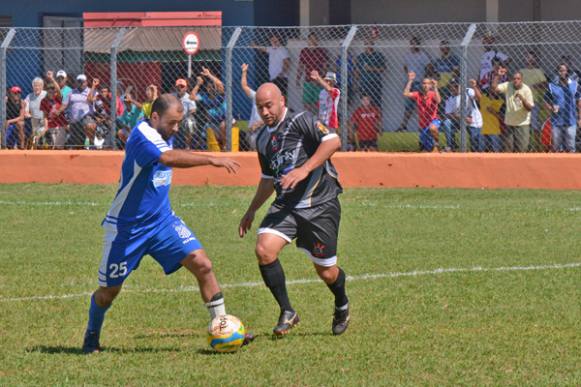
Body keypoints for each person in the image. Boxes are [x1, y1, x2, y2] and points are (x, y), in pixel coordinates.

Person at [81, 94, 246, 354]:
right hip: (127, 228)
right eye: (172, 123)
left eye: (179, 122)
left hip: (162, 222)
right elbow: (168, 159)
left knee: (203, 265)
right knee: (108, 292)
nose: (176, 129)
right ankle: (91, 336)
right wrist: (212, 159)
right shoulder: (142, 135)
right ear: (155, 117)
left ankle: (223, 327)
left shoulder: (163, 133)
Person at [238, 83, 350, 337]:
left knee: (326, 271)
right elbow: (268, 178)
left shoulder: (301, 120)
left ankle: (341, 303)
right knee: (264, 250)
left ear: (281, 101)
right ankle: (287, 310)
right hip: (287, 205)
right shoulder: (263, 139)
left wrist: (304, 169)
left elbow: (333, 141)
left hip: (319, 204)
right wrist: (251, 210)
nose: (265, 112)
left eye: (269, 105)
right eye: (260, 107)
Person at [492, 67, 534, 152]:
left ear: (522, 80)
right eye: (514, 78)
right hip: (509, 123)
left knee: (522, 149)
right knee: (508, 149)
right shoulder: (508, 85)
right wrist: (497, 75)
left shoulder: (526, 90)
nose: (516, 80)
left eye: (518, 79)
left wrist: (523, 99)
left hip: (522, 123)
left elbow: (529, 108)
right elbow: (494, 88)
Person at [544, 63, 581, 152]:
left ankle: (570, 165)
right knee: (556, 148)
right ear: (557, 72)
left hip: (571, 120)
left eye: (564, 70)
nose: (562, 72)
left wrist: (580, 118)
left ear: (568, 72)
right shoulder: (552, 86)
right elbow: (545, 100)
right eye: (560, 70)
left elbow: (579, 101)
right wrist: (551, 108)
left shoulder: (575, 85)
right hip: (557, 121)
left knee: (571, 147)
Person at [398, 36, 431, 132]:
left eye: (415, 43)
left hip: (419, 83)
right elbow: (405, 67)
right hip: (410, 83)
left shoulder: (423, 55)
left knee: (422, 105)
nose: (413, 45)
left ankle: (424, 125)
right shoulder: (407, 55)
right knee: (408, 106)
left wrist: (424, 80)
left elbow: (429, 67)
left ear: (418, 44)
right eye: (412, 43)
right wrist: (408, 74)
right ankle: (403, 126)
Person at [56, 74, 98, 148]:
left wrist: (93, 86)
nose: (81, 83)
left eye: (83, 82)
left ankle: (92, 145)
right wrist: (58, 111)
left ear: (86, 82)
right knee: (76, 145)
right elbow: (64, 104)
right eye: (79, 82)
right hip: (74, 121)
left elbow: (90, 100)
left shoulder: (92, 91)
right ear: (76, 82)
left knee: (90, 125)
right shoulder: (71, 92)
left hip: (86, 118)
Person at [403, 71, 441, 152]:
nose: (425, 85)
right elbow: (405, 93)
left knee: (433, 128)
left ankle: (437, 144)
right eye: (424, 83)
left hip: (434, 120)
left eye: (427, 83)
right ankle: (429, 147)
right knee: (425, 149)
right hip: (423, 124)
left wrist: (435, 87)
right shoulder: (418, 94)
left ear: (430, 85)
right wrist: (410, 80)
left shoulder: (433, 94)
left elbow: (438, 100)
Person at [191, 67, 228, 150]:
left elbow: (220, 85)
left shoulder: (220, 95)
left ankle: (226, 147)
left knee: (222, 126)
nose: (210, 89)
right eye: (208, 87)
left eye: (212, 87)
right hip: (213, 122)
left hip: (225, 120)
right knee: (207, 129)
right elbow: (192, 97)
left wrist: (209, 75)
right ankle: (214, 149)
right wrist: (198, 84)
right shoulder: (204, 97)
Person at [519, 51, 547, 149]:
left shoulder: (539, 71)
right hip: (522, 103)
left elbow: (545, 84)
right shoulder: (521, 71)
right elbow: (516, 83)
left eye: (532, 58)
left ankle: (536, 146)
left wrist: (537, 85)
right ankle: (525, 146)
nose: (530, 59)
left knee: (535, 125)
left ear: (535, 60)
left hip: (534, 102)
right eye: (528, 57)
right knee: (523, 125)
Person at [297, 32, 329, 115]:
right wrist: (298, 78)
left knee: (318, 103)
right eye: (310, 39)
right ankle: (308, 119)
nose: (312, 41)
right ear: (308, 40)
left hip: (318, 82)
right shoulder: (304, 51)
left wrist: (321, 80)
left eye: (314, 39)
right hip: (307, 80)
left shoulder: (321, 51)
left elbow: (325, 67)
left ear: (317, 40)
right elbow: (301, 66)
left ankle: (318, 120)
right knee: (307, 102)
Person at [355, 40, 386, 107]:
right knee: (365, 103)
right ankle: (366, 116)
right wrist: (357, 81)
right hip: (364, 82)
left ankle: (377, 116)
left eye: (368, 44)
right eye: (365, 44)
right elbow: (357, 70)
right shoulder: (361, 56)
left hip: (375, 81)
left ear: (372, 45)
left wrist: (371, 69)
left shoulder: (378, 55)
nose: (367, 46)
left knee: (376, 102)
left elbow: (383, 68)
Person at [240, 63, 263, 150]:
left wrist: (259, 124)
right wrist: (244, 72)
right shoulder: (256, 96)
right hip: (252, 132)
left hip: (262, 131)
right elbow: (244, 86)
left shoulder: (272, 100)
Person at [39, 83, 68, 149]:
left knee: (58, 147)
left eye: (53, 91)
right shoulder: (44, 101)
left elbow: (58, 90)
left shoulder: (58, 99)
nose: (51, 92)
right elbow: (45, 116)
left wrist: (52, 79)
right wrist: (46, 127)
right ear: (47, 91)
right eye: (49, 91)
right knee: (50, 144)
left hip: (60, 125)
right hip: (50, 126)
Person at [173, 78, 197, 149]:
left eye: (182, 87)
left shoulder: (189, 97)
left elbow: (193, 110)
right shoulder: (172, 96)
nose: (180, 88)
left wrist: (183, 116)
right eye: (178, 87)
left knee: (189, 122)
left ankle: (187, 146)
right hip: (174, 118)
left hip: (184, 118)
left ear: (186, 88)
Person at [24, 77, 47, 149]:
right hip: (34, 121)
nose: (37, 87)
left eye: (39, 85)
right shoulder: (29, 96)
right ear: (32, 87)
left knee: (41, 137)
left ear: (42, 86)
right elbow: (25, 107)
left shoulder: (46, 94)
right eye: (35, 85)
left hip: (46, 120)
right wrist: (26, 112)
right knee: (36, 136)